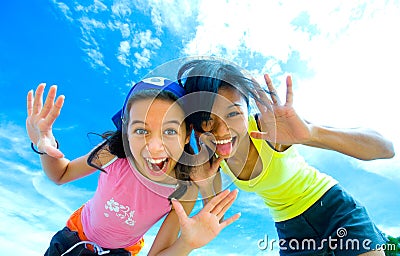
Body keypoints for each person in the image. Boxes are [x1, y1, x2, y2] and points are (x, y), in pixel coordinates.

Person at [177, 57, 395, 256]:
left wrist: (312, 134)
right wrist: (205, 185)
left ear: (247, 108)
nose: (221, 131)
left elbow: (386, 148)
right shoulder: (210, 161)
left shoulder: (271, 128)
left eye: (233, 113)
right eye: (207, 119)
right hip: (290, 230)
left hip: (332, 206)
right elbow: (216, 220)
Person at [26, 77, 240, 256]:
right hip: (72, 240)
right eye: (141, 131)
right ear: (126, 131)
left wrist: (187, 243)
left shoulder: (184, 189)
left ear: (186, 135)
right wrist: (44, 145)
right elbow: (61, 174)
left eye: (170, 131)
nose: (155, 147)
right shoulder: (114, 152)